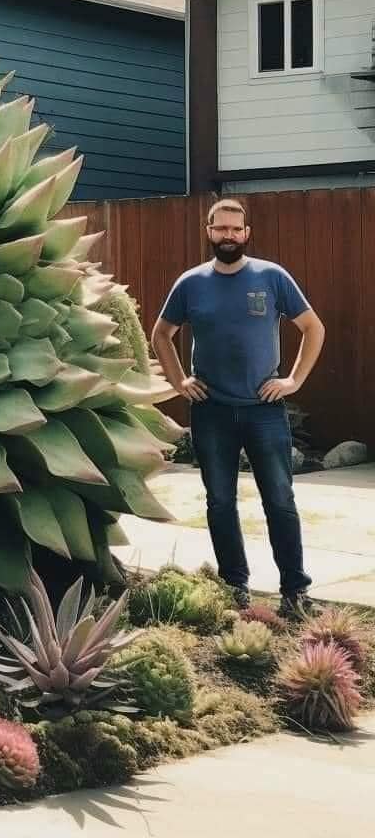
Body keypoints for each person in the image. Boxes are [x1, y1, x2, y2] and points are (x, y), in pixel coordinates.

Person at [150, 198, 326, 618]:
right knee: (220, 502)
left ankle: (294, 591)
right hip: (211, 412)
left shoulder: (271, 277)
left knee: (280, 500)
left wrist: (293, 380)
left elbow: (312, 328)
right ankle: (235, 586)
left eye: (235, 229)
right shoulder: (190, 284)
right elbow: (161, 334)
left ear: (246, 233)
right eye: (220, 228)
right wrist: (179, 381)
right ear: (208, 231)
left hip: (264, 411)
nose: (228, 235)